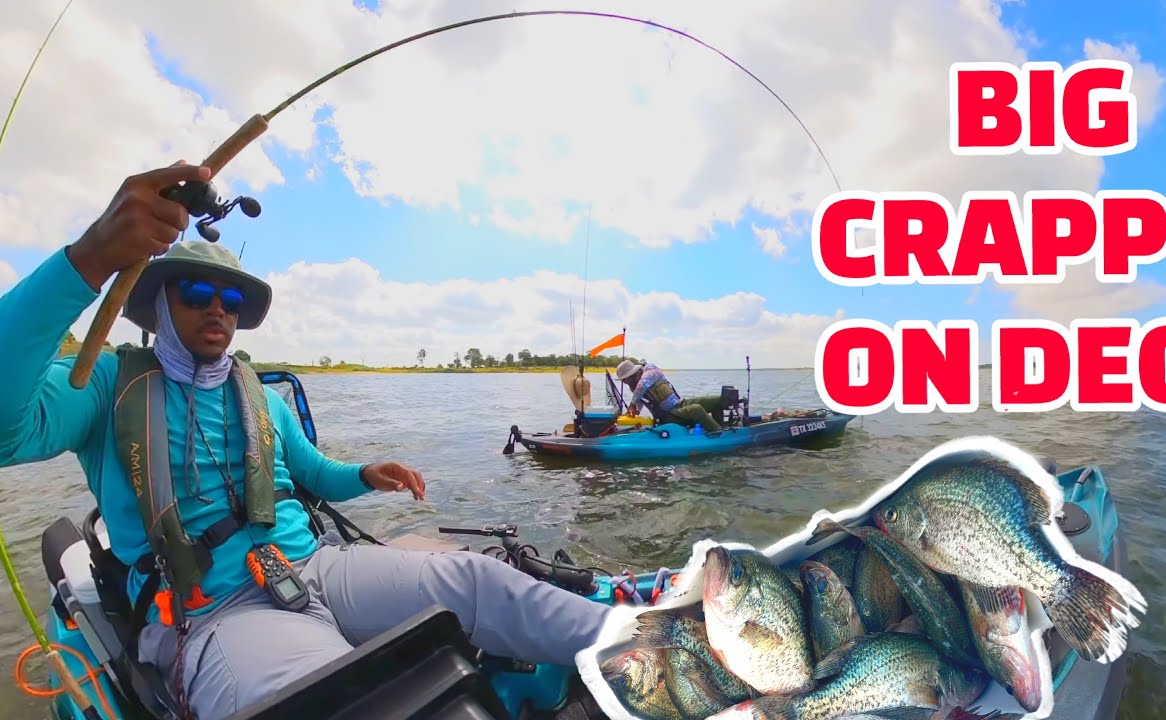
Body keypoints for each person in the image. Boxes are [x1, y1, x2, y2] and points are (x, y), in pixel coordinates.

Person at [0, 163, 610, 719]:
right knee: (327, 693)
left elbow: (311, 473)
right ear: (158, 304)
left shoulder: (259, 395)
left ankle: (652, 646)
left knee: (477, 582)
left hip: (312, 566)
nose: (217, 308)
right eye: (195, 293)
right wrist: (90, 257)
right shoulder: (106, 383)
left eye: (232, 299)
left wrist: (365, 475)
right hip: (212, 613)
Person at [615, 358, 725, 432]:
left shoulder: (650, 371)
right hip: (669, 415)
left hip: (680, 403)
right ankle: (718, 432)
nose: (624, 382)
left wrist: (632, 404)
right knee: (697, 409)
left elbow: (643, 385)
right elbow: (639, 401)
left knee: (717, 400)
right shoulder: (635, 388)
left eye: (625, 379)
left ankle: (722, 426)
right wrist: (636, 411)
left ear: (634, 373)